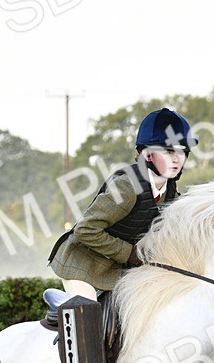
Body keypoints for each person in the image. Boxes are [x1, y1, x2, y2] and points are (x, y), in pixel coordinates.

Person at [48, 107, 198, 299]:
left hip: (119, 269)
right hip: (83, 265)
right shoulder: (127, 187)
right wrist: (130, 253)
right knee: (88, 315)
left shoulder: (171, 194)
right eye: (169, 151)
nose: (177, 159)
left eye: (183, 151)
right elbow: (85, 229)